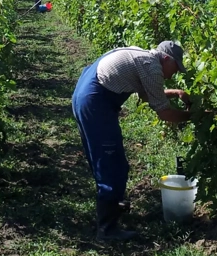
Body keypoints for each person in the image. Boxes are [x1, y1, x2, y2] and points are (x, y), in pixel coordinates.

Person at [72, 41, 192, 241]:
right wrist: (196, 116)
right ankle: (107, 230)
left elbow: (147, 95)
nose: (174, 74)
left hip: (85, 96)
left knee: (110, 161)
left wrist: (175, 92)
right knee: (111, 164)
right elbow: (165, 114)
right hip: (95, 103)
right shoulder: (151, 66)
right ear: (166, 58)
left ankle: (111, 207)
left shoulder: (141, 56)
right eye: (176, 68)